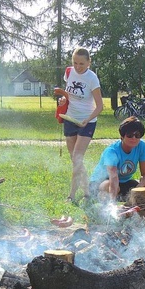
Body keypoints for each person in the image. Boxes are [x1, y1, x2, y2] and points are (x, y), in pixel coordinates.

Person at [59, 47, 104, 203]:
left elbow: (100, 106)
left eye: (82, 64)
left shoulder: (92, 79)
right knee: (75, 159)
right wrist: (63, 100)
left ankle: (71, 195)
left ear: (89, 63)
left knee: (78, 158)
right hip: (70, 118)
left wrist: (88, 118)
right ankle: (88, 191)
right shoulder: (69, 72)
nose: (78, 67)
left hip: (87, 122)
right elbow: (68, 94)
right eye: (75, 63)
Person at [89, 117, 145, 202]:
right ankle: (108, 209)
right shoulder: (112, 151)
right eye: (129, 135)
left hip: (124, 182)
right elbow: (113, 178)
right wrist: (112, 204)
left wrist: (137, 190)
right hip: (102, 184)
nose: (134, 138)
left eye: (137, 135)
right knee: (109, 186)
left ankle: (129, 208)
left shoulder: (142, 146)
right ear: (122, 136)